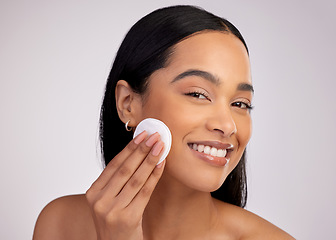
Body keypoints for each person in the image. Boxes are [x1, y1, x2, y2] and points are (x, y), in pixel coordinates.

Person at [33, 5, 294, 239]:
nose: (228, 125)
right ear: (128, 104)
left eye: (240, 104)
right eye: (198, 94)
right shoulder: (60, 224)